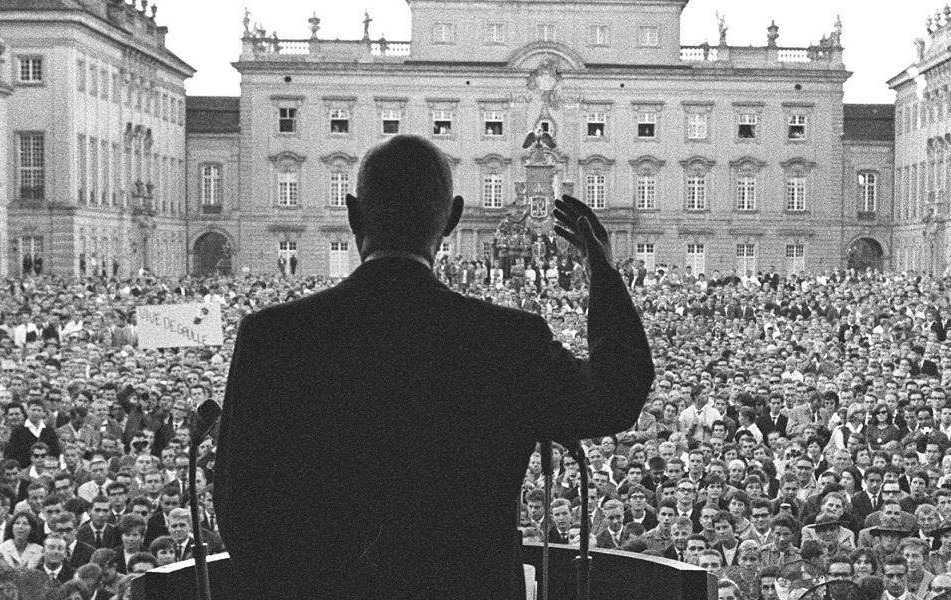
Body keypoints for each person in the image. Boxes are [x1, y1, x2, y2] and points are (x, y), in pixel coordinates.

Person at [216, 135, 654, 599]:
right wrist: (603, 270)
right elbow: (618, 393)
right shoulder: (506, 341)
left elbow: (239, 510)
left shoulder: (274, 337)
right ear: (452, 218)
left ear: (353, 215)